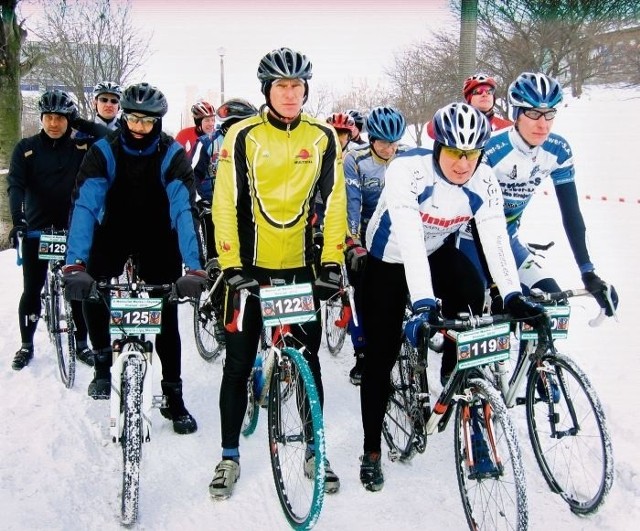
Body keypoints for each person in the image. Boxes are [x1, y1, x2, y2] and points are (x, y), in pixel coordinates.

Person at [358, 102, 547, 492]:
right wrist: (425, 301)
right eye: (455, 153)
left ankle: (454, 371)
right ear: (437, 147)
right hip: (388, 258)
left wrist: (512, 295)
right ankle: (372, 450)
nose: (463, 164)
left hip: (435, 249)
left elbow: (495, 235)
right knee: (381, 356)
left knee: (471, 290)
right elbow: (408, 236)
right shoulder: (407, 170)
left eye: (472, 154)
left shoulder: (483, 178)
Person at [208, 47, 347, 499]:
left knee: (308, 363)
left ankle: (313, 450)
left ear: (306, 89)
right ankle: (229, 456)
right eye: (282, 86)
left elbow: (335, 202)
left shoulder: (323, 136)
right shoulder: (242, 136)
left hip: (301, 269)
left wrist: (331, 260)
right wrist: (230, 266)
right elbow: (224, 204)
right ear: (267, 90)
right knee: (238, 363)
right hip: (249, 270)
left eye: (297, 86)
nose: (290, 93)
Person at [61, 82, 207, 435]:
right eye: (134, 119)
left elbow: (184, 209)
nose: (139, 128)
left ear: (158, 122)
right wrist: (74, 262)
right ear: (124, 116)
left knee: (166, 311)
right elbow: (85, 204)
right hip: (113, 229)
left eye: (148, 122)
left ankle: (174, 395)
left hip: (159, 233)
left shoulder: (172, 154)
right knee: (92, 289)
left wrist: (194, 265)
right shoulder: (102, 150)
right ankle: (100, 363)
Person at [461, 72, 618, 317]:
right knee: (476, 318)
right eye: (533, 114)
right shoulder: (491, 150)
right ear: (516, 114)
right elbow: (476, 217)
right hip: (471, 240)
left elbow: (571, 213)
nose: (542, 124)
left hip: (509, 241)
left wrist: (588, 271)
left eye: (550, 114)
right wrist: (495, 284)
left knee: (551, 307)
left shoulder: (558, 150)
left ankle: (531, 357)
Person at [7, 89, 110, 371]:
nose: (54, 124)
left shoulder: (81, 147)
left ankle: (80, 345)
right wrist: (19, 220)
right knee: (32, 289)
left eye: (61, 118)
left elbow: (106, 136)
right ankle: (26, 344)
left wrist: (80, 123)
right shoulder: (26, 149)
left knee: (77, 287)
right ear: (42, 118)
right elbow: (15, 186)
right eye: (49, 117)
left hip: (73, 230)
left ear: (69, 120)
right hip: (36, 231)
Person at [343, 106, 408, 386]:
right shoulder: (354, 159)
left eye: (394, 143)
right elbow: (352, 204)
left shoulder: (407, 158)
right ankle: (362, 354)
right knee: (363, 293)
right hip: (365, 230)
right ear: (371, 139)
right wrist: (354, 242)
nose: (389, 149)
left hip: (398, 230)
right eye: (383, 142)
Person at [191, 98, 259, 260]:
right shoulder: (208, 142)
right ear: (232, 123)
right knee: (218, 255)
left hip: (248, 207)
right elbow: (191, 175)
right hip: (214, 207)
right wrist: (201, 201)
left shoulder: (257, 143)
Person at [424, 73, 512, 143]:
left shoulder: (508, 128)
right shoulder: (458, 121)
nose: (484, 94)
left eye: (489, 91)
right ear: (469, 99)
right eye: (478, 91)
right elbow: (431, 130)